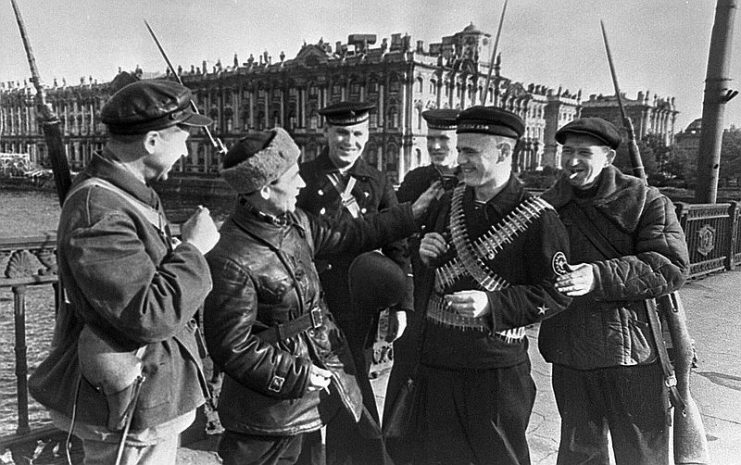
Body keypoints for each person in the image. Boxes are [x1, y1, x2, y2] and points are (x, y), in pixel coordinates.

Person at [203, 127, 439, 465]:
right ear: (267, 189)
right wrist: (298, 373)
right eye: (294, 177)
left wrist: (409, 214)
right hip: (268, 412)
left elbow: (351, 232)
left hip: (309, 388)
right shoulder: (230, 257)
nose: (302, 184)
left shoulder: (294, 222)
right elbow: (231, 348)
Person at [28, 79, 220, 465]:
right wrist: (194, 250)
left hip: (147, 393)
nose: (186, 150)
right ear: (152, 141)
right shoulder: (99, 210)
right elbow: (147, 314)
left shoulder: (127, 194)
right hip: (127, 409)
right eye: (182, 136)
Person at [411, 106, 572, 465]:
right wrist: (423, 254)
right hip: (439, 360)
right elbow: (431, 275)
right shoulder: (449, 202)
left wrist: (492, 305)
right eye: (460, 149)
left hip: (495, 369)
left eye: (471, 152)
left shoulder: (538, 217)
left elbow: (557, 292)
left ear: (503, 152)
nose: (460, 160)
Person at [539, 117, 690, 465]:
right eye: (567, 151)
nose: (572, 160)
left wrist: (597, 276)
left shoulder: (646, 200)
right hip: (569, 350)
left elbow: (669, 265)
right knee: (579, 455)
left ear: (607, 157)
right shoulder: (547, 205)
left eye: (584, 152)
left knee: (640, 454)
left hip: (632, 353)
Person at [296, 101, 413, 464]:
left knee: (355, 387)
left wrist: (402, 306)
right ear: (326, 133)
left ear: (368, 136)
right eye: (342, 133)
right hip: (310, 300)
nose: (350, 141)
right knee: (308, 391)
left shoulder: (376, 181)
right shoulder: (302, 177)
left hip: (357, 303)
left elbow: (398, 245)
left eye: (358, 134)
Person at [383, 108, 460, 464]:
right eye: (431, 139)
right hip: (416, 291)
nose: (436, 146)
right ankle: (397, 450)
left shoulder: (472, 182)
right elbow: (395, 239)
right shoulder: (416, 180)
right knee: (406, 370)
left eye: (444, 139)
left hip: (453, 300)